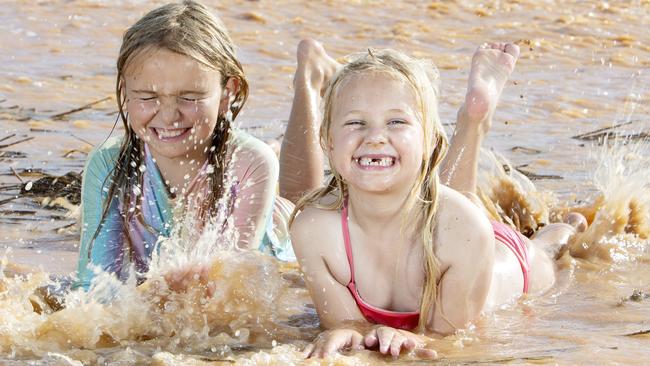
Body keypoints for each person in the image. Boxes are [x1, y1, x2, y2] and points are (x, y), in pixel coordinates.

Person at [287, 40, 587, 358]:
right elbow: (349, 328)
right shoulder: (314, 229)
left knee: (546, 249)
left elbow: (451, 341)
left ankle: (566, 226)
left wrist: (417, 340)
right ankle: (473, 119)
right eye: (355, 122)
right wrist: (347, 334)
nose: (374, 136)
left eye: (396, 121)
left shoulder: (466, 229)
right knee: (449, 210)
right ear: (328, 142)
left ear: (431, 141)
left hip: (507, 263)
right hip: (443, 224)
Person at [73, 0, 293, 292]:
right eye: (148, 97)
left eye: (189, 97)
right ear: (125, 91)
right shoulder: (107, 164)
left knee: (304, 195)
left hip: (279, 233)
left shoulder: (251, 162)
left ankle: (307, 81)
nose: (168, 116)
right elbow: (93, 286)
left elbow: (235, 291)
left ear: (228, 93)